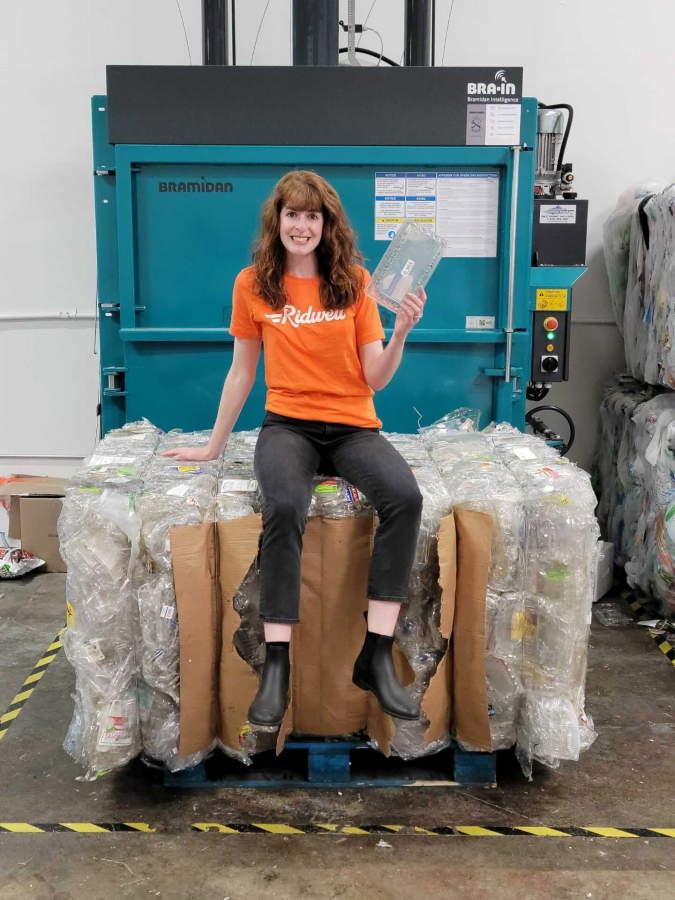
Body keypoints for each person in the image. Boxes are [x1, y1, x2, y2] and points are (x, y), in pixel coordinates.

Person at [163, 170, 426, 727]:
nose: (301, 226)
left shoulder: (355, 282)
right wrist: (213, 447)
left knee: (405, 496)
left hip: (354, 426)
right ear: (275, 221)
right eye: (292, 214)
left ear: (327, 225)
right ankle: (276, 664)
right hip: (288, 426)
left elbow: (375, 377)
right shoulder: (253, 284)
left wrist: (401, 331)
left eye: (313, 216)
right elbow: (241, 372)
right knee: (284, 504)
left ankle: (376, 657)